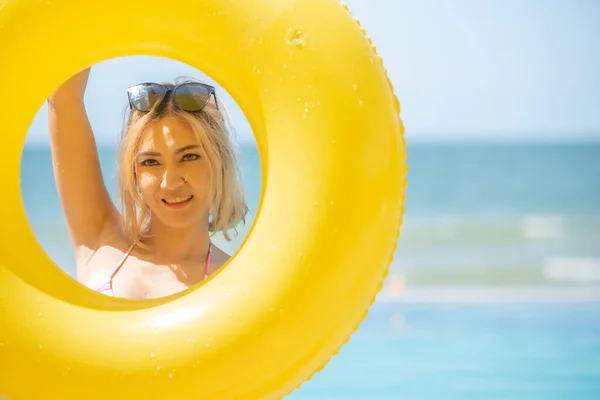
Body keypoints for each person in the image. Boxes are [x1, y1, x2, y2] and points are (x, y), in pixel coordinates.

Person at [47, 67, 248, 299]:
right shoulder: (100, 240)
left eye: (189, 157)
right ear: (134, 172)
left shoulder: (235, 282)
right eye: (151, 162)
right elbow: (62, 100)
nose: (170, 183)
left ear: (219, 163)